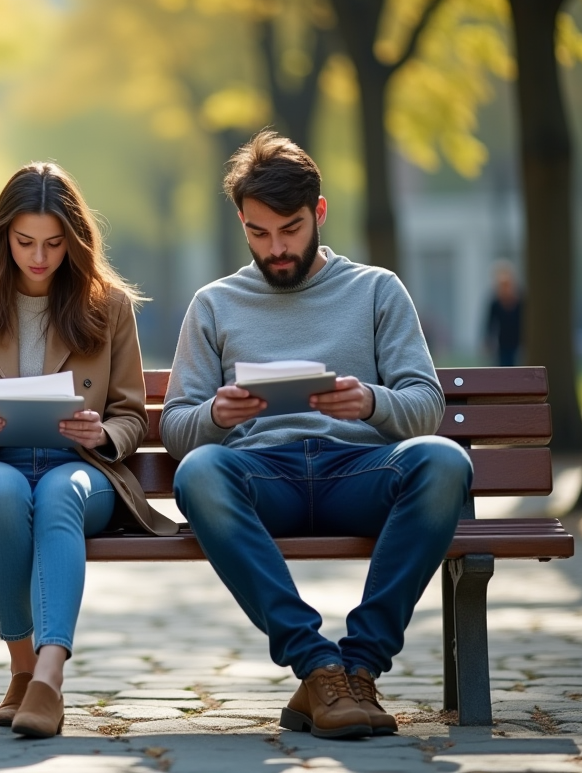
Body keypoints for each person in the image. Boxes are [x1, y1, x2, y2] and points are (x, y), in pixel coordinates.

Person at [161, 130, 472, 740]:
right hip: (262, 476)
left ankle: (358, 665)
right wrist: (217, 418)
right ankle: (318, 665)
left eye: (291, 229)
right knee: (198, 472)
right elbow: (176, 429)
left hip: (357, 471)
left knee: (442, 462)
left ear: (319, 213)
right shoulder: (214, 303)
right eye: (258, 233)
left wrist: (371, 402)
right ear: (242, 223)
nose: (275, 249)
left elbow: (425, 405)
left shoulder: (377, 289)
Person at [0, 162, 178, 739]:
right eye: (25, 241)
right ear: (3, 235)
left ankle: (48, 678)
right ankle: (22, 667)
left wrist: (102, 434)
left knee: (60, 493)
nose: (39, 257)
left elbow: (132, 414)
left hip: (82, 470)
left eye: (54, 244)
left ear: (74, 243)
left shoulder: (110, 306)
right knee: (3, 492)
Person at [485, 261, 523, 366]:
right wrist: (488, 342)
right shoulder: (495, 303)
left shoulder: (521, 301)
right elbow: (490, 325)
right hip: (503, 345)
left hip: (520, 345)